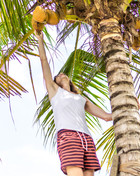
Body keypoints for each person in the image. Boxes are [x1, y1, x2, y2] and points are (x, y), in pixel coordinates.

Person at [35, 31, 112, 176]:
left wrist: (128, 109)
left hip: (86, 138)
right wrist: (40, 39)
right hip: (68, 136)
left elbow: (107, 116)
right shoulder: (55, 92)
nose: (61, 74)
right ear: (55, 82)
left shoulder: (81, 98)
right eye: (57, 76)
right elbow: (44, 60)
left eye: (63, 74)